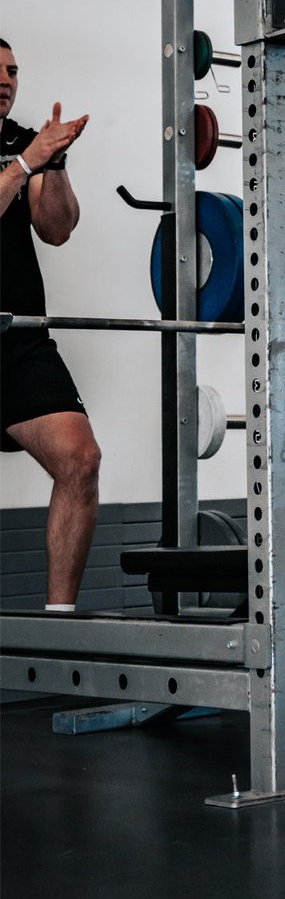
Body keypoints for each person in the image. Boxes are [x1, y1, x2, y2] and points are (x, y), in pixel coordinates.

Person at [0, 37, 100, 611]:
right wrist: (23, 165)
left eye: (13, 70)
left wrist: (53, 162)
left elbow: (57, 229)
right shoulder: (20, 153)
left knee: (79, 458)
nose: (7, 79)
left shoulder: (23, 143)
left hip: (19, 339)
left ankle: (61, 624)